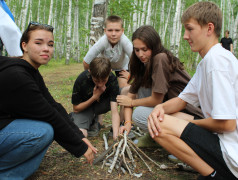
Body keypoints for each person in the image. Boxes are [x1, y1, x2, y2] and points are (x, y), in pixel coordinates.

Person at [148, 2, 238, 179]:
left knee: (161, 125)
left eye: (189, 29)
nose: (184, 36)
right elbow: (182, 100)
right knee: (165, 117)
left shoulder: (216, 62)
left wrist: (188, 127)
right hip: (225, 140)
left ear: (209, 28)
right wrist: (161, 108)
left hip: (232, 151)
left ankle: (215, 175)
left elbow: (228, 124)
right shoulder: (208, 61)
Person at [0, 21, 97, 179]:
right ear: (24, 45)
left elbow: (54, 106)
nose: (46, 48)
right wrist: (80, 147)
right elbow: (49, 115)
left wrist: (80, 136)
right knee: (42, 132)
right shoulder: (18, 76)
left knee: (45, 131)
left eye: (50, 44)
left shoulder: (30, 71)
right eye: (38, 43)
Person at [117, 25, 204, 137]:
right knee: (133, 90)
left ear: (154, 46)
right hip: (168, 107)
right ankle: (157, 137)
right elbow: (129, 97)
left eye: (145, 49)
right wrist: (128, 123)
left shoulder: (160, 58)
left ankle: (181, 138)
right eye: (136, 50)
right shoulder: (142, 63)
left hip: (188, 111)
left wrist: (132, 103)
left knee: (139, 115)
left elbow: (156, 100)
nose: (140, 55)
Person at [70, 57, 120, 140]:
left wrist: (116, 135)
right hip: (85, 108)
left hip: (102, 105)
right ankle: (85, 119)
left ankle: (96, 119)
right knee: (81, 135)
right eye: (96, 80)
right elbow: (76, 108)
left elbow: (114, 111)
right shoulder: (82, 79)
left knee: (122, 93)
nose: (100, 84)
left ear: (110, 72)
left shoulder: (112, 79)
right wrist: (94, 97)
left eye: (104, 80)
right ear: (90, 72)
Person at [83, 15, 133, 88]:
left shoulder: (125, 41)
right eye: (110, 30)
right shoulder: (102, 42)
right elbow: (86, 61)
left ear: (122, 31)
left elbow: (137, 60)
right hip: (104, 67)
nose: (113, 34)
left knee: (123, 87)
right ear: (105, 30)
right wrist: (91, 76)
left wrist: (131, 76)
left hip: (122, 67)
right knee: (100, 85)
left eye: (117, 30)